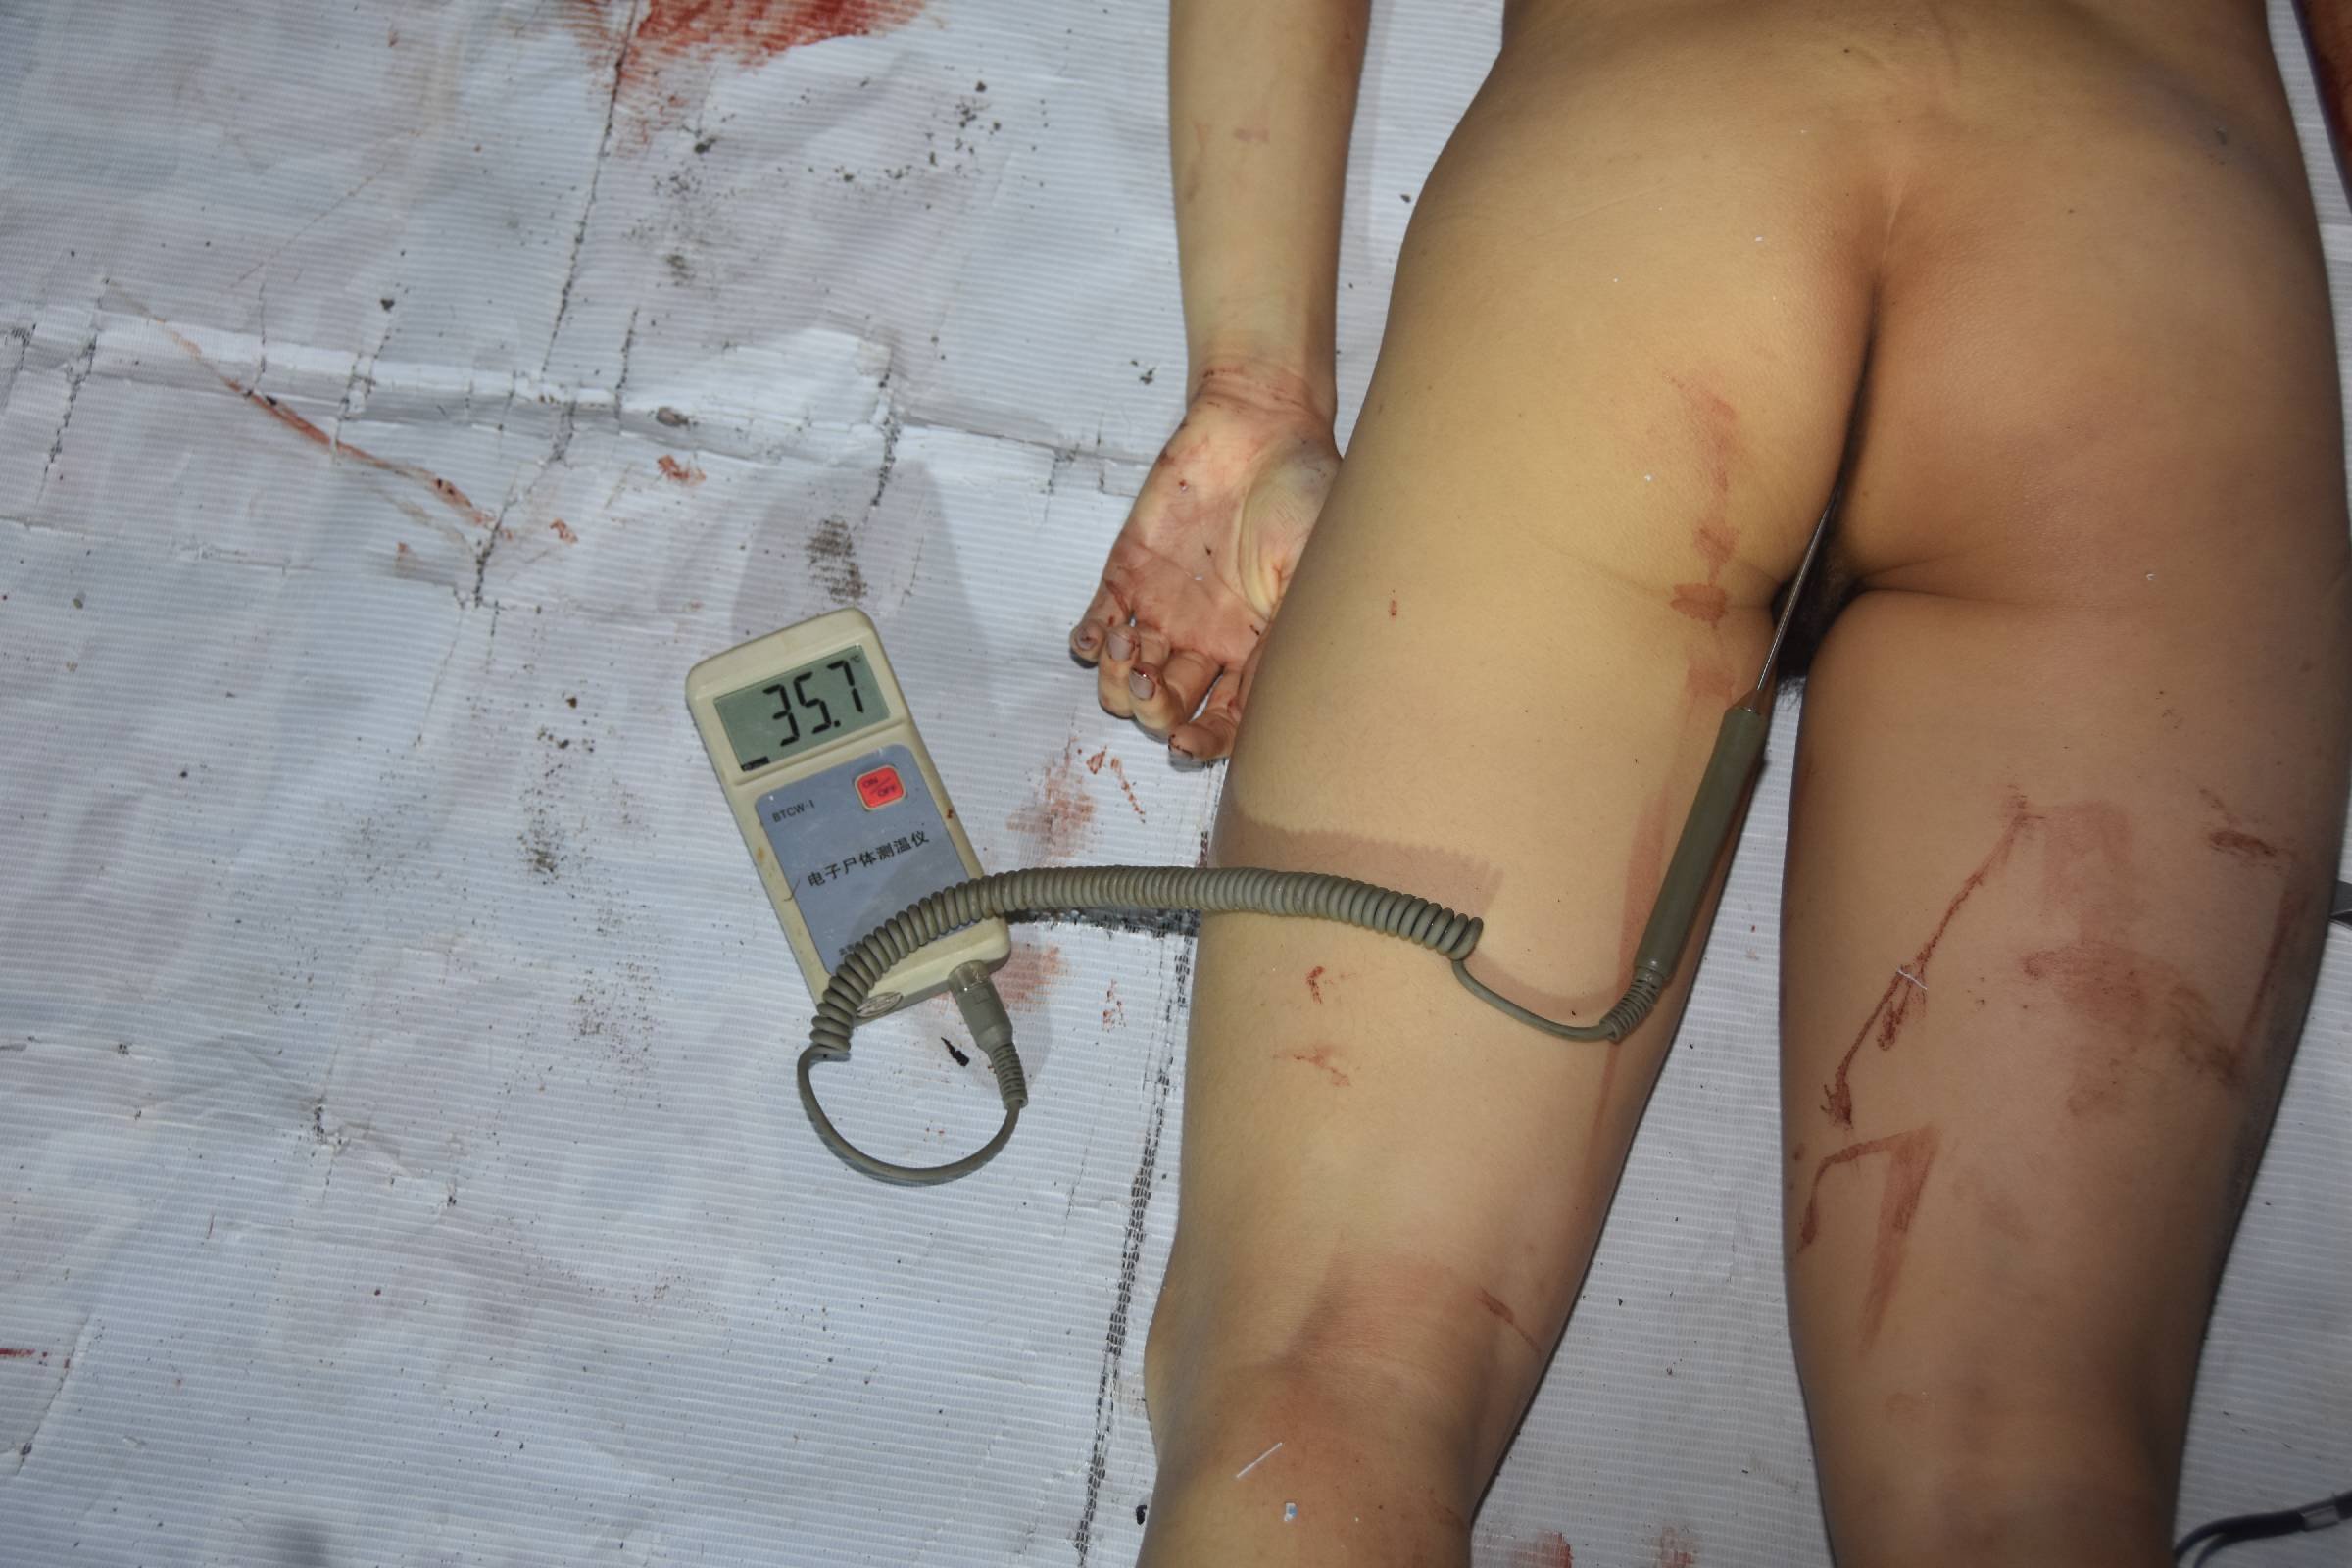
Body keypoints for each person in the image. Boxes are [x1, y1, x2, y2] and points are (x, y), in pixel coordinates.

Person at [1065, 0, 2352, 1562]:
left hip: (1666, 197)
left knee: (1320, 1391)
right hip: (2133, 266)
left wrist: (1255, 398)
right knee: (2012, 1476)